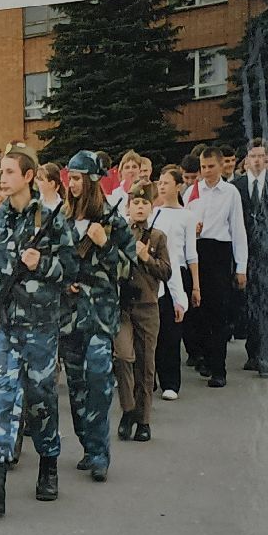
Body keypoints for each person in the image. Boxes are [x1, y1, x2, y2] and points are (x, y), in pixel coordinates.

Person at [0, 146, 75, 516]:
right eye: (1, 172)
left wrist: (43, 263)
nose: (3, 178)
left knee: (40, 398)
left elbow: (71, 270)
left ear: (29, 176)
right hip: (7, 326)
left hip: (42, 324)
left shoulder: (51, 220)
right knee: (2, 398)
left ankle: (48, 464)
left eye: (10, 172)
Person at [57, 151, 133, 485]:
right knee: (76, 386)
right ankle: (88, 446)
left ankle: (101, 453)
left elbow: (129, 268)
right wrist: (64, 281)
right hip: (70, 315)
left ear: (91, 181)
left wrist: (105, 246)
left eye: (76, 179)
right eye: (69, 178)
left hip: (100, 313)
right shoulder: (61, 218)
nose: (71, 184)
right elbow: (53, 263)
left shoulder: (112, 221)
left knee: (99, 379)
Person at [114, 182, 173, 442]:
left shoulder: (158, 236)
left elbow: (167, 271)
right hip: (123, 306)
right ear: (128, 207)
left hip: (148, 307)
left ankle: (143, 419)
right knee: (123, 357)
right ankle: (128, 410)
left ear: (151, 207)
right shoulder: (121, 233)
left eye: (144, 203)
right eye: (135, 203)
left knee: (146, 365)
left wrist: (146, 257)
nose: (139, 207)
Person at [185, 150, 247, 387]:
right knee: (199, 310)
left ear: (221, 166)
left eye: (211, 166)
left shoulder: (230, 193)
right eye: (203, 166)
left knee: (218, 311)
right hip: (197, 251)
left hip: (220, 250)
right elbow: (185, 222)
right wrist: (193, 230)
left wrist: (241, 266)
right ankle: (205, 358)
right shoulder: (193, 191)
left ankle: (219, 369)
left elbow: (237, 230)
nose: (206, 171)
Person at [236, 139, 268, 375]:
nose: (256, 160)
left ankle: (264, 356)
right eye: (252, 156)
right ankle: (253, 351)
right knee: (248, 303)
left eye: (260, 156)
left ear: (267, 159)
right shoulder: (237, 186)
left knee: (265, 301)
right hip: (245, 253)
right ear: (247, 159)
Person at [148, 165, 198, 401]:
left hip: (175, 274)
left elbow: (191, 254)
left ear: (178, 186)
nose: (161, 186)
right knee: (153, 329)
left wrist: (195, 285)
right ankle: (152, 377)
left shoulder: (187, 215)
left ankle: (171, 381)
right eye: (159, 182)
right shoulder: (154, 213)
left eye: (166, 182)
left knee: (171, 329)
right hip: (154, 272)